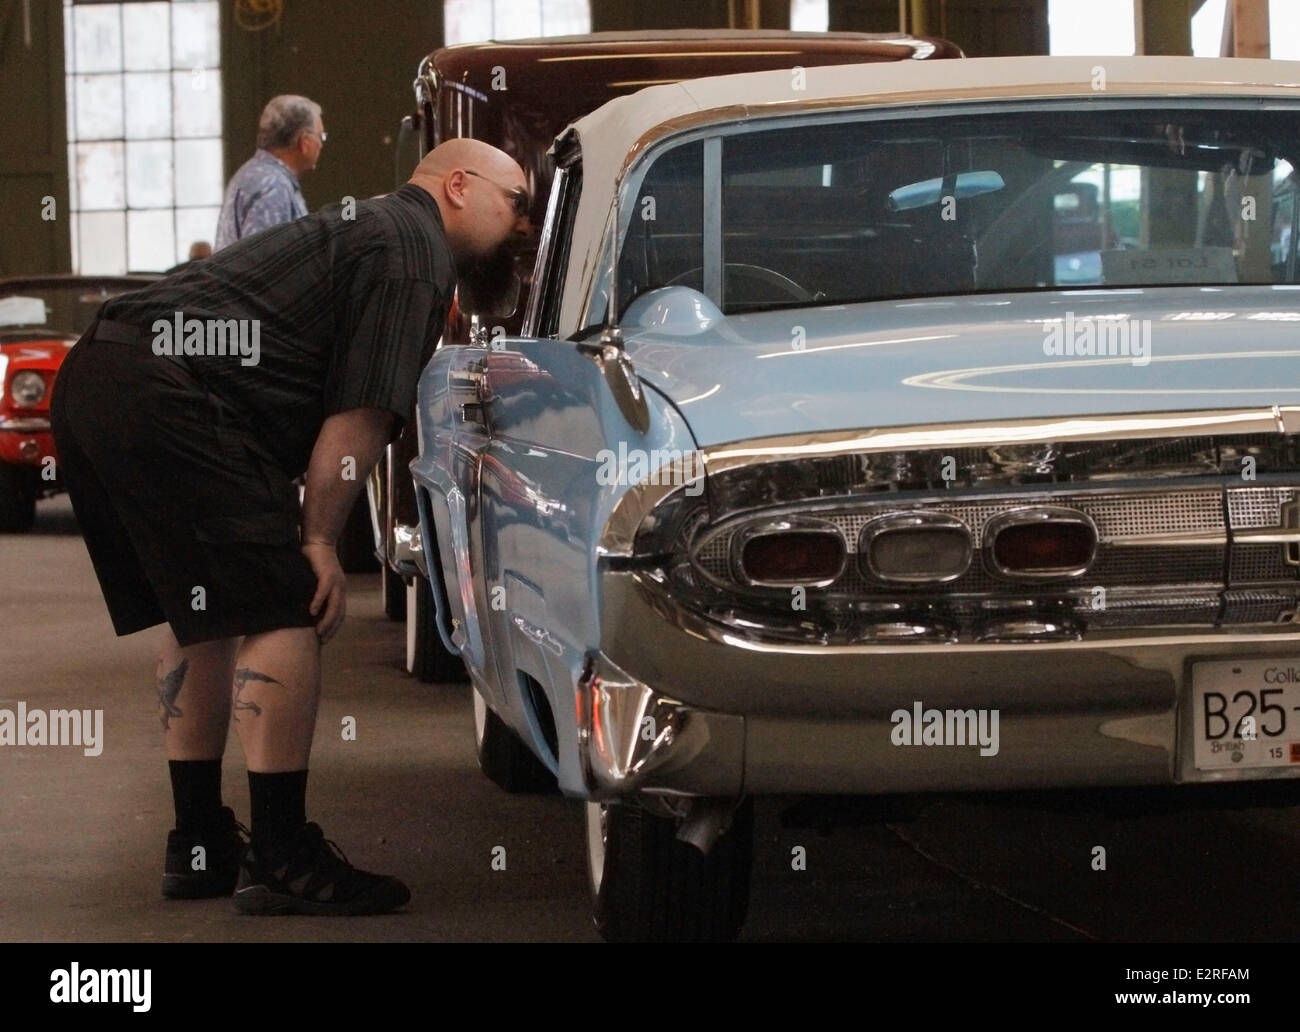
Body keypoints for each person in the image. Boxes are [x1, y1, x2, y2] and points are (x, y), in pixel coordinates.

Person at [49, 138, 530, 915]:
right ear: (459, 187)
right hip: (161, 390)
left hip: (99, 374)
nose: (523, 227)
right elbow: (361, 417)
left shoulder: (370, 230)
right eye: (517, 205)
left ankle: (199, 844)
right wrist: (316, 543)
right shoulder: (413, 250)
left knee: (203, 610)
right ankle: (281, 855)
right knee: (283, 604)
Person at [215, 95, 325, 250]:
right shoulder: (273, 186)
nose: (321, 144)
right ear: (304, 141)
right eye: (321, 136)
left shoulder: (255, 174)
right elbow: (264, 264)